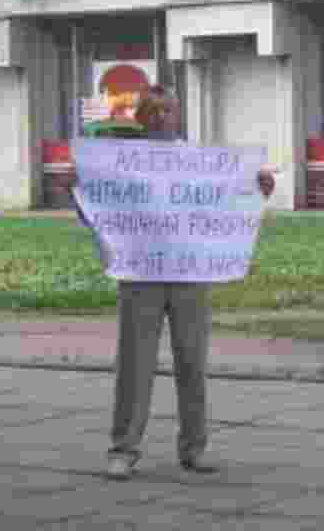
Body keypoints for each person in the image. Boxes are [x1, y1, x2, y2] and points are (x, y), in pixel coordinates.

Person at [79, 85, 276, 480]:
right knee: (135, 364)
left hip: (190, 273)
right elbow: (96, 212)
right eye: (153, 111)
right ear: (141, 118)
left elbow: (227, 198)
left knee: (192, 362)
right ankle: (123, 449)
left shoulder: (197, 160)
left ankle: (194, 448)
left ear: (178, 115)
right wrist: (82, 191)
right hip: (141, 273)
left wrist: (258, 189)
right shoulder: (121, 162)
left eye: (168, 110)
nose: (161, 117)